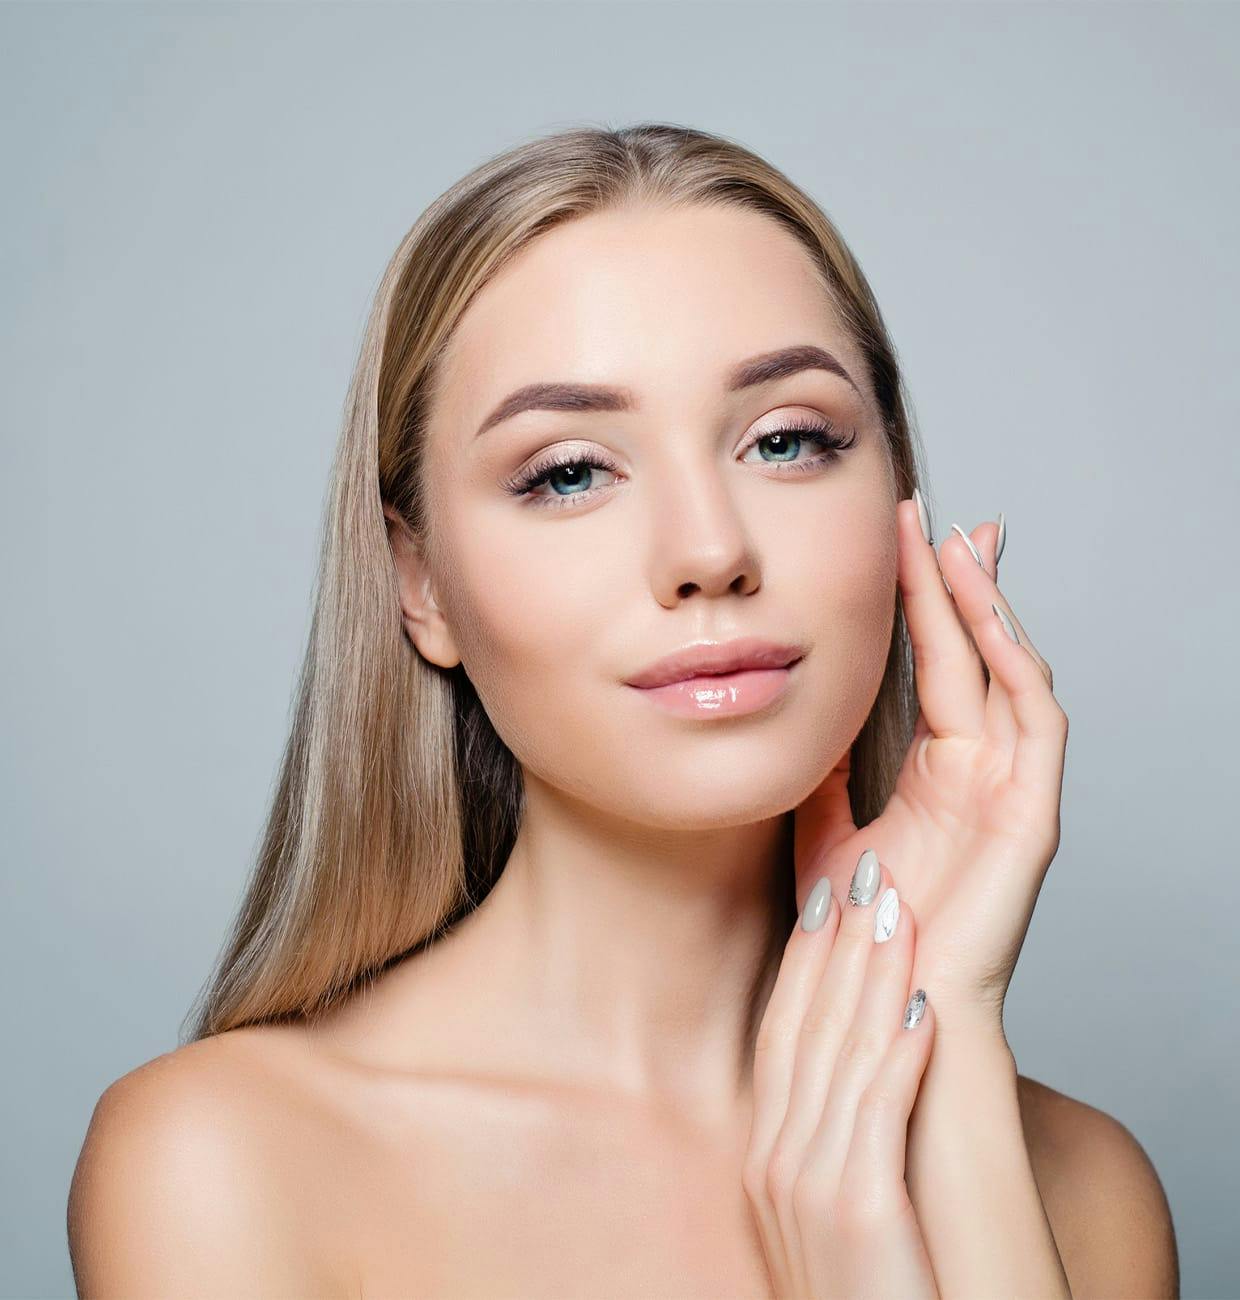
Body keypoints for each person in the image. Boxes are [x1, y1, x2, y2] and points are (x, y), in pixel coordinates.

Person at [67, 122, 1178, 1298]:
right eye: (569, 472)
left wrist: (939, 1029)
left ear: (893, 494)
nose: (708, 551)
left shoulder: (1084, 1190)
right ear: (420, 584)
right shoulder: (223, 1164)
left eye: (786, 441)